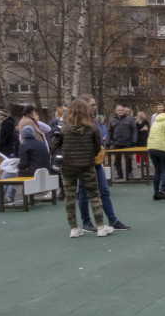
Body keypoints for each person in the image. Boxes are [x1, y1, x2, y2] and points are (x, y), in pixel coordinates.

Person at [51, 99, 112, 237]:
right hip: (86, 165)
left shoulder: (64, 128)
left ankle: (74, 228)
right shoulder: (92, 128)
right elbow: (97, 147)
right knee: (94, 195)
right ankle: (101, 226)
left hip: (67, 166)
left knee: (70, 197)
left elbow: (54, 144)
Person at [76, 95, 131, 232]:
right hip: (84, 162)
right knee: (84, 192)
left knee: (104, 191)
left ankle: (112, 220)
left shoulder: (95, 121)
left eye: (95, 104)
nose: (95, 107)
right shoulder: (79, 123)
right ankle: (86, 222)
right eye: (92, 105)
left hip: (97, 160)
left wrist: (102, 146)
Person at [106, 105, 137, 180]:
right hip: (116, 142)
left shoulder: (130, 119)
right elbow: (109, 132)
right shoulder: (111, 120)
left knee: (128, 158)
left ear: (124, 111)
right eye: (118, 110)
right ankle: (120, 174)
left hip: (127, 142)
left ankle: (130, 172)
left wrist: (134, 141)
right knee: (117, 160)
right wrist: (107, 142)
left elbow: (134, 130)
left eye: (121, 110)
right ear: (116, 111)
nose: (120, 111)